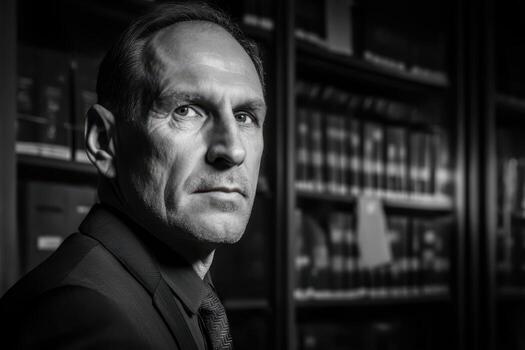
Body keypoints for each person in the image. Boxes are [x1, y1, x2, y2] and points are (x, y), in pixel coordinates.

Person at [0, 2, 266, 349]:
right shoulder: (83, 315)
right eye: (186, 110)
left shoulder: (178, 294)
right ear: (104, 142)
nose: (232, 150)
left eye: (244, 116)